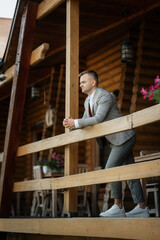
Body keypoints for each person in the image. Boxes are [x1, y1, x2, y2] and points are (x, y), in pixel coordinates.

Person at [63, 70, 149, 218]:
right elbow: (85, 121)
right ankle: (142, 207)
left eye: (83, 82)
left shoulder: (105, 96)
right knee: (130, 172)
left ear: (93, 82)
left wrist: (75, 122)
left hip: (124, 137)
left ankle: (118, 206)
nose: (80, 85)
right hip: (117, 141)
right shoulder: (87, 101)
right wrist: (71, 124)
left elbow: (97, 119)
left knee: (110, 168)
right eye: (80, 82)